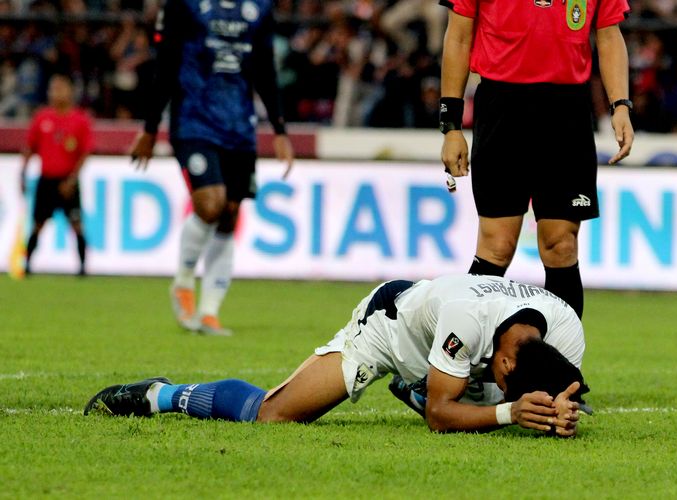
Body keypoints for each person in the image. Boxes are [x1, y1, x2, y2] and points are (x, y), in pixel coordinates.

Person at [84, 274, 591, 436]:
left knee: (467, 395)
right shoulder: (467, 320)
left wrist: (560, 408)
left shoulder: (567, 330)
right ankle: (162, 394)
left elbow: (559, 387)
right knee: (274, 415)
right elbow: (441, 416)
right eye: (510, 386)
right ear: (505, 367)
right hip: (389, 324)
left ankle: (421, 382)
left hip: (454, 347)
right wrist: (509, 411)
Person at [438, 0, 635, 319]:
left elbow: (609, 35)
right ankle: (462, 357)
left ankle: (564, 362)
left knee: (561, 244)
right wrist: (451, 126)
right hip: (502, 107)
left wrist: (621, 105)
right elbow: (458, 37)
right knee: (496, 246)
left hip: (567, 112)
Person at [129, 0, 295, 336]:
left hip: (239, 127)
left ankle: (209, 312)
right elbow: (166, 63)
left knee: (230, 213)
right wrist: (149, 128)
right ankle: (184, 282)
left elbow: (264, 68)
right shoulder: (184, 5)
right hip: (194, 123)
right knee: (210, 203)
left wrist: (279, 130)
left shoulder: (259, 8)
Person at [20, 73, 92, 277]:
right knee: (37, 225)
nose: (55, 92)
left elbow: (85, 153)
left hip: (68, 180)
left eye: (60, 88)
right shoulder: (42, 117)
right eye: (53, 88)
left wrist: (72, 179)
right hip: (46, 180)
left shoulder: (79, 120)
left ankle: (83, 268)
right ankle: (27, 265)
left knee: (76, 225)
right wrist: (23, 173)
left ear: (70, 91)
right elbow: (29, 147)